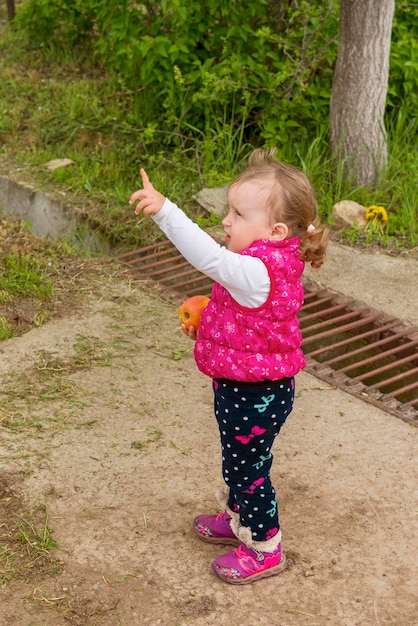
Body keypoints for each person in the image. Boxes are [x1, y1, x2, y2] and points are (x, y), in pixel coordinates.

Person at [129, 148, 329, 585]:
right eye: (229, 210)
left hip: (256, 395)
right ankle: (238, 517)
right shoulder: (267, 263)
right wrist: (207, 326)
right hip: (248, 386)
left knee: (249, 468)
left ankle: (265, 546)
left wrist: (166, 211)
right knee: (238, 460)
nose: (226, 221)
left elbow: (209, 258)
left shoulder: (258, 270)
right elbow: (250, 325)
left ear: (275, 231)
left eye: (238, 213)